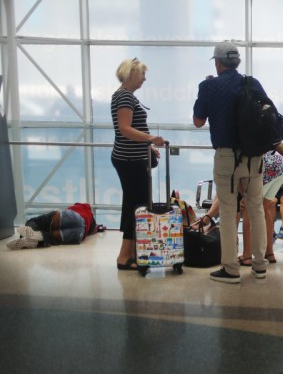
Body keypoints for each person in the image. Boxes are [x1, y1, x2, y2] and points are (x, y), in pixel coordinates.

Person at [193, 41, 268, 283]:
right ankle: (259, 266)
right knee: (256, 209)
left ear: (217, 63)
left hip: (227, 157)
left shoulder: (209, 86)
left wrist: (205, 89)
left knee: (227, 211)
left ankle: (231, 269)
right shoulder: (251, 83)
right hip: (255, 157)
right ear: (237, 62)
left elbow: (198, 121)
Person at [111, 58, 165, 271]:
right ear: (131, 74)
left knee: (134, 206)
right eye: (142, 74)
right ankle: (125, 256)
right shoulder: (124, 96)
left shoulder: (125, 95)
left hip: (130, 157)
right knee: (138, 207)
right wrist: (151, 139)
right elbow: (124, 128)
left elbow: (128, 129)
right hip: (129, 160)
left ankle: (130, 254)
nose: (144, 78)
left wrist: (147, 145)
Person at [7, 203, 99, 250]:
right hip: (79, 234)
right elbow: (94, 230)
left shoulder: (83, 207)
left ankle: (27, 237)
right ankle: (40, 238)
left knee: (35, 221)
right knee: (52, 238)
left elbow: (77, 206)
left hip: (73, 217)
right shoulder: (90, 227)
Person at [261, 143, 283, 263]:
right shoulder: (282, 161)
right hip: (279, 176)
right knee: (266, 205)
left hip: (275, 181)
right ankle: (269, 252)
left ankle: (249, 254)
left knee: (253, 210)